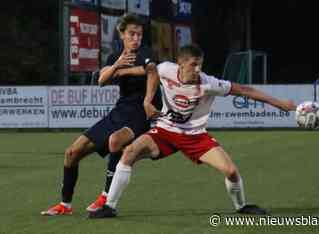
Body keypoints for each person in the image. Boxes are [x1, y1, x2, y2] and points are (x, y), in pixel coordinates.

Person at [88, 44, 297, 218]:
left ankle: (242, 206)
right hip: (165, 131)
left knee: (231, 171)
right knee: (129, 152)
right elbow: (148, 70)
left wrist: (279, 103)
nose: (197, 69)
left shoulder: (209, 83)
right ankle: (110, 207)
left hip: (195, 136)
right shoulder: (166, 69)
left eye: (200, 65)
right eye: (193, 64)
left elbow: (244, 90)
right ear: (180, 63)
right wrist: (117, 72)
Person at [41, 13, 161, 216]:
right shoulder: (115, 57)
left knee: (115, 141)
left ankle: (106, 197)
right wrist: (117, 66)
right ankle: (65, 205)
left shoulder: (145, 53)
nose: (136, 39)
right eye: (132, 34)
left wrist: (147, 100)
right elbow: (101, 80)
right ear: (121, 35)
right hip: (120, 111)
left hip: (140, 113)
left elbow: (152, 71)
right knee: (72, 153)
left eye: (139, 35)